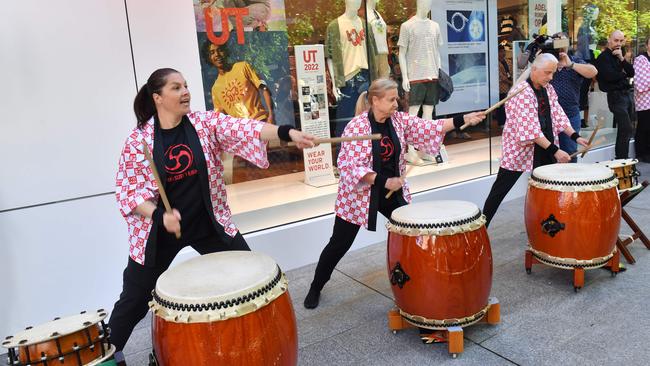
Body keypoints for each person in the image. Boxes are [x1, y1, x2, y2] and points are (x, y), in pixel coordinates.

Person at [108, 68, 315, 365]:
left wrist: (287, 133)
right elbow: (129, 191)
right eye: (176, 87)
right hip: (160, 232)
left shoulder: (203, 123)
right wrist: (157, 215)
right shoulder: (139, 141)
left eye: (186, 86)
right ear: (158, 98)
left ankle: (261, 344)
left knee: (249, 276)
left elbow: (246, 128)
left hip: (209, 221)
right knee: (135, 298)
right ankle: (109, 353)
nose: (185, 92)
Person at [303, 78, 486, 309]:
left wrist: (463, 119)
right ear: (375, 101)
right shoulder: (357, 127)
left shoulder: (398, 120)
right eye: (391, 100)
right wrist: (383, 181)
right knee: (339, 243)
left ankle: (421, 279)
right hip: (359, 194)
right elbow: (351, 167)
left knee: (412, 233)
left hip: (392, 189)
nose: (396, 104)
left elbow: (430, 127)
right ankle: (316, 286)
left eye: (397, 98)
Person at [482, 54, 589, 227]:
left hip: (544, 147)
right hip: (520, 149)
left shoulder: (548, 88)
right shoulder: (521, 93)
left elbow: (558, 114)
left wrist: (575, 136)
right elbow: (530, 131)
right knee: (500, 190)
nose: (550, 77)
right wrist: (556, 151)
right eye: (547, 73)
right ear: (534, 70)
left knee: (546, 188)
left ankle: (547, 227)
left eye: (553, 73)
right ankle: (480, 228)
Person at [202, 41, 275, 183]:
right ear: (209, 58)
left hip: (260, 124)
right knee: (250, 178)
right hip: (241, 135)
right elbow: (219, 119)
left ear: (226, 52)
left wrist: (271, 116)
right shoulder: (215, 88)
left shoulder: (242, 66)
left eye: (219, 50)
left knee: (271, 171)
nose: (216, 55)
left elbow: (263, 88)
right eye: (212, 52)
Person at [549, 33, 598, 162]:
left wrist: (571, 65)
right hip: (548, 117)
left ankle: (569, 181)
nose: (560, 47)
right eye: (557, 43)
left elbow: (593, 71)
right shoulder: (548, 63)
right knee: (549, 155)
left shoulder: (574, 61)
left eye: (563, 43)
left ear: (568, 44)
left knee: (570, 154)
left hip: (570, 115)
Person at [594, 30, 635, 159]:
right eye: (616, 40)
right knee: (626, 128)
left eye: (621, 41)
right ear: (609, 40)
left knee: (627, 129)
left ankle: (623, 159)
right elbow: (611, 77)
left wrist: (622, 59)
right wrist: (623, 74)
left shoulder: (619, 55)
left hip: (627, 95)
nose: (618, 43)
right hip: (615, 96)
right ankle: (621, 159)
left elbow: (631, 72)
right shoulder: (603, 57)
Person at [634, 38, 650, 162]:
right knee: (644, 127)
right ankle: (642, 153)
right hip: (645, 101)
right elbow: (641, 83)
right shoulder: (641, 60)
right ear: (647, 45)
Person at [497, 45, 512, 127]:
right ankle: (502, 122)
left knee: (508, 104)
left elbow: (512, 71)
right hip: (501, 87)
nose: (503, 53)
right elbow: (500, 76)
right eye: (501, 52)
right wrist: (510, 82)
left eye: (504, 51)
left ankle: (508, 121)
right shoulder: (495, 62)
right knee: (501, 106)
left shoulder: (508, 61)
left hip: (510, 86)